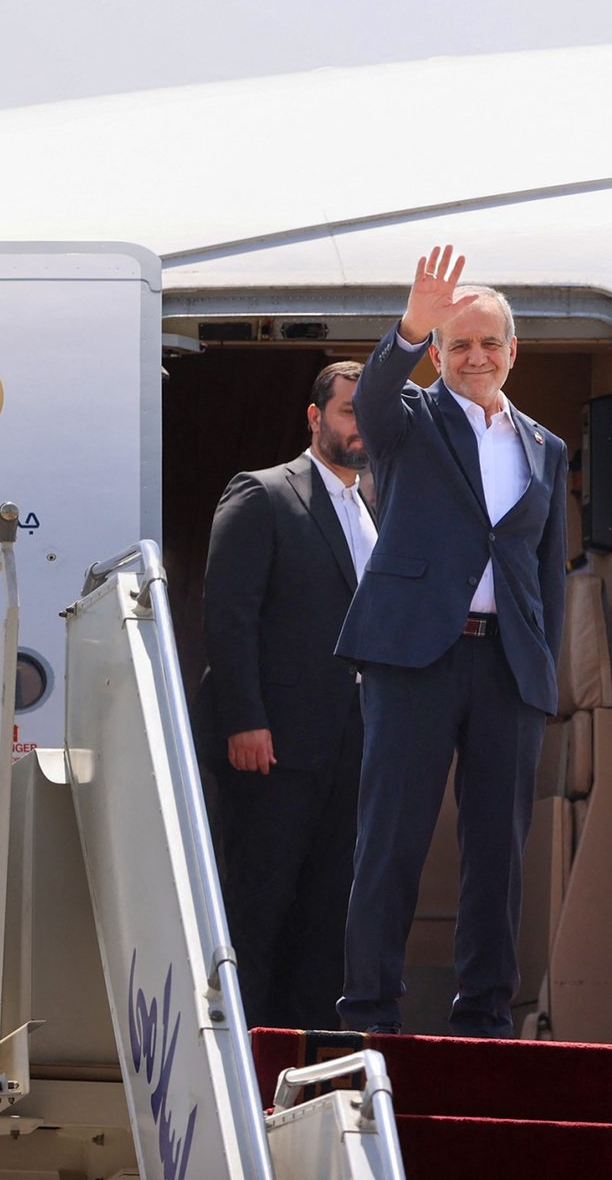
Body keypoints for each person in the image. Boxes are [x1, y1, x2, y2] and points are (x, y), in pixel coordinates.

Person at [337, 245, 567, 1037]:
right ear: (437, 355)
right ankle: (371, 1011)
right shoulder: (409, 421)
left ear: (512, 352)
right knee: (391, 840)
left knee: (499, 852)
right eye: (458, 344)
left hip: (507, 666)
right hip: (414, 660)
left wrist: (542, 671)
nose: (475, 357)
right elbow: (371, 398)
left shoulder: (544, 447)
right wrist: (409, 326)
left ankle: (484, 1017)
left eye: (488, 343)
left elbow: (544, 573)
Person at [198, 359, 376, 1031]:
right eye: (350, 411)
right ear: (315, 417)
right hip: (271, 749)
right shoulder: (264, 493)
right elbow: (228, 615)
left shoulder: (374, 511)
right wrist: (245, 720)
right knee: (257, 915)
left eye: (371, 413)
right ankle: (239, 1060)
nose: (361, 426)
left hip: (353, 751)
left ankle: (305, 1066)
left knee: (328, 922)